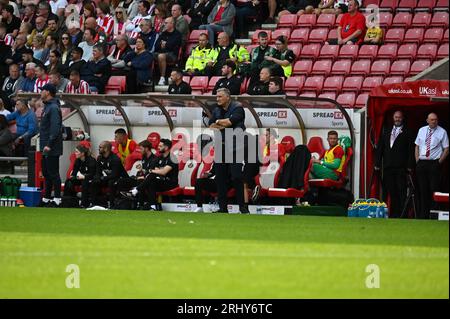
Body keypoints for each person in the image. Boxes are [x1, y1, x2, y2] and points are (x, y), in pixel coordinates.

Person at [208, 88, 248, 214]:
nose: (217, 99)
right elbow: (210, 125)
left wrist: (219, 122)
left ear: (228, 97)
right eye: (217, 97)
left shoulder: (238, 108)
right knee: (220, 178)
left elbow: (230, 122)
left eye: (220, 97)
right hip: (221, 147)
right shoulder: (216, 109)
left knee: (236, 177)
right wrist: (222, 123)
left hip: (236, 147)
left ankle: (242, 207)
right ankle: (223, 208)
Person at [374, 111, 415, 218]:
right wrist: (377, 163)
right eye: (396, 117)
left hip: (401, 168)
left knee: (401, 192)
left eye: (399, 117)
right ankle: (394, 215)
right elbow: (380, 148)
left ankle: (403, 215)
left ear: (402, 118)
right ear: (393, 118)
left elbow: (411, 150)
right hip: (388, 167)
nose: (397, 119)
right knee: (391, 192)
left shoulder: (408, 132)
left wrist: (410, 165)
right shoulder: (386, 131)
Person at [128, 138, 179, 211]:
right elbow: (156, 170)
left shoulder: (172, 158)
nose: (158, 147)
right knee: (150, 180)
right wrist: (154, 170)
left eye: (161, 146)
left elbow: (164, 172)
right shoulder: (159, 158)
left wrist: (152, 170)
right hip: (160, 180)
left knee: (151, 176)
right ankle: (150, 205)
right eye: (158, 146)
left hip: (170, 183)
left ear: (166, 148)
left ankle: (136, 190)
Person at [415, 113, 449, 219]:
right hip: (422, 163)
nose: (434, 121)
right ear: (427, 120)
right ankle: (423, 215)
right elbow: (417, 146)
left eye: (435, 119)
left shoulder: (442, 131)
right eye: (432, 119)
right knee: (422, 189)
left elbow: (447, 149)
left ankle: (434, 214)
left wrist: (438, 163)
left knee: (434, 189)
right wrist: (417, 160)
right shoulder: (421, 130)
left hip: (434, 163)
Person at [38, 83, 63, 207]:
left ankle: (57, 199)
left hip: (51, 146)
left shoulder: (53, 108)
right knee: (47, 173)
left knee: (53, 173)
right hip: (45, 145)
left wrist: (49, 144)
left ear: (48, 92)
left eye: (42, 90)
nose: (41, 92)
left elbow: (55, 127)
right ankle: (47, 198)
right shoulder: (48, 107)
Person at [117, 139, 158, 208]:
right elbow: (145, 172)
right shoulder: (144, 158)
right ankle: (123, 203)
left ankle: (139, 203)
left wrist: (140, 177)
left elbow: (151, 175)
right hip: (143, 178)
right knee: (122, 181)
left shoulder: (154, 159)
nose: (140, 151)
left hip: (149, 180)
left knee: (140, 181)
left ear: (147, 148)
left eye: (141, 149)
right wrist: (139, 174)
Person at [90, 141, 129, 208]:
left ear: (106, 149)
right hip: (109, 178)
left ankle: (112, 204)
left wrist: (103, 178)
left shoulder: (115, 159)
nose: (98, 149)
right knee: (95, 182)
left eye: (100, 147)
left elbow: (115, 175)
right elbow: (98, 172)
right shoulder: (99, 158)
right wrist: (97, 177)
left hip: (121, 179)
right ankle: (95, 203)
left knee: (111, 182)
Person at [154, 17, 182, 85]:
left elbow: (174, 47)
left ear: (172, 23)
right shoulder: (163, 33)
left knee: (161, 56)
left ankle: (162, 78)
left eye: (166, 23)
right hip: (161, 52)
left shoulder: (177, 34)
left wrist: (165, 44)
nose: (164, 24)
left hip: (172, 54)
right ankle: (148, 79)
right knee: (148, 55)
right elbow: (156, 45)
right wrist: (163, 45)